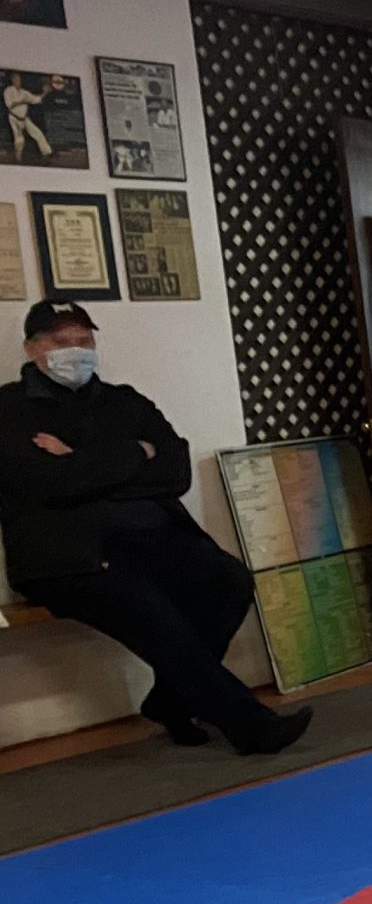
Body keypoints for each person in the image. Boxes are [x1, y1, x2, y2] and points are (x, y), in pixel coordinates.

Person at [0, 302, 312, 755]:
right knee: (153, 612)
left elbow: (174, 471)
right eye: (60, 341)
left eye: (84, 340)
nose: (75, 350)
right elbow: (48, 484)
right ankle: (251, 726)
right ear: (32, 349)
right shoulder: (9, 409)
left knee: (228, 580)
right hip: (69, 557)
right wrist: (134, 454)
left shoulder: (125, 401)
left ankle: (170, 700)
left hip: (152, 539)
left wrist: (80, 460)